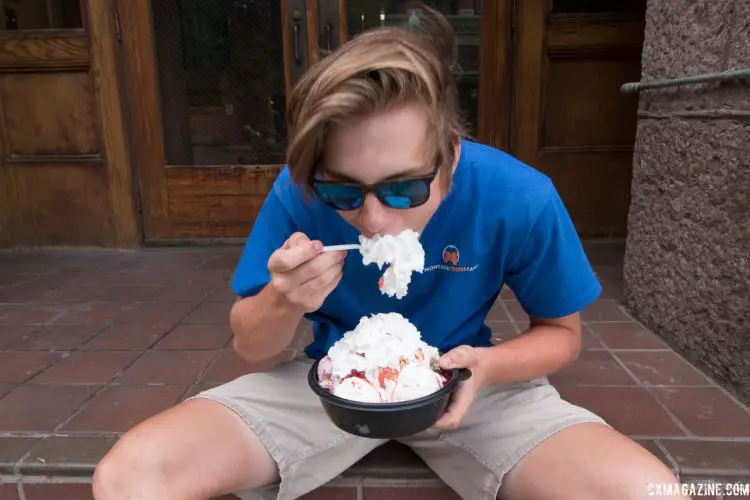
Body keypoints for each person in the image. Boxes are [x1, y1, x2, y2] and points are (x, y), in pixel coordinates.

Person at [93, 7, 686, 500]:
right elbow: (252, 346)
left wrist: (488, 367)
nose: (375, 218)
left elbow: (563, 333)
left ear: (452, 156)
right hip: (324, 385)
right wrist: (282, 300)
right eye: (343, 191)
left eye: (404, 188)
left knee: (654, 493)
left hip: (464, 381)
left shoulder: (518, 196)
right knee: (128, 477)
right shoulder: (298, 190)